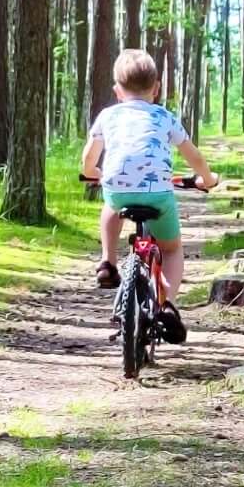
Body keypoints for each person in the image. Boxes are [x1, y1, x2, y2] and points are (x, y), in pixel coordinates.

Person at [82, 49, 220, 332]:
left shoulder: (108, 116)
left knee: (111, 205)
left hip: (118, 189)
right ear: (156, 89)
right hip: (158, 192)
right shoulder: (164, 116)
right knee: (172, 249)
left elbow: (89, 158)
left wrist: (92, 172)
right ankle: (167, 304)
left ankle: (108, 261)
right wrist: (207, 178)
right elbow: (193, 155)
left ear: (117, 90)